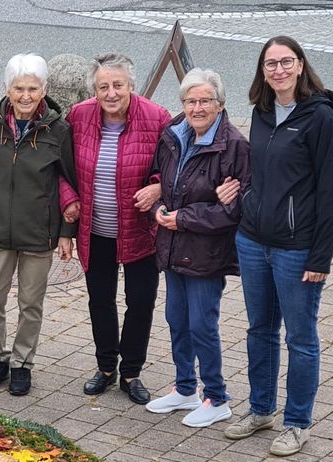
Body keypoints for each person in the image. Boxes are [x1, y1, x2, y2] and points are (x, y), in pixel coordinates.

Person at [219, 36, 333, 457]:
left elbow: (328, 192)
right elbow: (260, 173)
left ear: (301, 66)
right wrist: (243, 196)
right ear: (262, 70)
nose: (279, 70)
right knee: (258, 331)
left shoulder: (321, 118)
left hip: (296, 248)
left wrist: (321, 255)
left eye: (287, 62)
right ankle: (261, 409)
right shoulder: (262, 112)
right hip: (252, 241)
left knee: (301, 339)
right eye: (271, 64)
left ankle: (298, 422)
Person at [61, 53, 170, 405]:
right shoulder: (78, 116)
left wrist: (158, 187)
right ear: (94, 89)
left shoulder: (157, 118)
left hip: (140, 230)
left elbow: (174, 167)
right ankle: (106, 367)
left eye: (118, 86)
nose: (110, 93)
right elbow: (60, 169)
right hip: (95, 230)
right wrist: (68, 200)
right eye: (103, 86)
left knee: (141, 301)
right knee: (101, 300)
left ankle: (131, 372)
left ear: (131, 86)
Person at [143, 68, 249, 428]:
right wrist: (160, 205)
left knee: (202, 324)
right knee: (177, 319)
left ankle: (217, 397)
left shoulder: (234, 146)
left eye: (205, 101)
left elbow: (234, 209)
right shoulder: (174, 133)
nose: (197, 107)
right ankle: (185, 387)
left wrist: (183, 217)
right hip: (173, 245)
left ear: (220, 105)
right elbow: (162, 181)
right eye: (191, 100)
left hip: (206, 252)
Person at [0, 54, 76, 396]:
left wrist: (65, 233)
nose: (25, 95)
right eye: (19, 88)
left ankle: (22, 363)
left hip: (38, 233)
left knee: (31, 303)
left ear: (44, 90)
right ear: (7, 89)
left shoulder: (59, 130)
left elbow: (69, 182)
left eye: (32, 88)